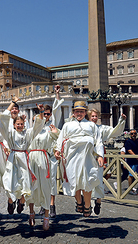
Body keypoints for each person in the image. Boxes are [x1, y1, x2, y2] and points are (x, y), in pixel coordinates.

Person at [0, 96, 45, 216]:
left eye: (21, 124)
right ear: (14, 124)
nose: (20, 126)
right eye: (17, 124)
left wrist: (41, 113)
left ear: (24, 124)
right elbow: (1, 127)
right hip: (13, 159)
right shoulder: (10, 133)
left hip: (24, 159)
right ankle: (11, 202)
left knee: (25, 183)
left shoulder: (28, 133)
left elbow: (37, 127)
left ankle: (21, 202)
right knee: (9, 181)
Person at [55, 101, 104, 217]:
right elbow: (60, 139)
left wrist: (100, 155)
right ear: (73, 112)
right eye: (77, 111)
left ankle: (87, 205)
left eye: (82, 111)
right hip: (72, 157)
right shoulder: (67, 125)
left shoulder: (91, 125)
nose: (79, 113)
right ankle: (79, 202)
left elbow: (99, 141)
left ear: (85, 112)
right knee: (74, 181)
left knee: (87, 181)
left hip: (88, 157)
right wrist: (57, 150)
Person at [89, 109, 126, 215]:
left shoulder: (102, 129)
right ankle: (86, 203)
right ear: (88, 117)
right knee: (86, 179)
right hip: (86, 157)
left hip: (98, 157)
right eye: (92, 116)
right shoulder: (84, 127)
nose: (94, 118)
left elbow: (115, 132)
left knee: (99, 180)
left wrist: (121, 121)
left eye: (96, 116)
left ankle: (98, 202)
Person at [27, 113, 58, 230]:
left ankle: (46, 217)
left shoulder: (47, 132)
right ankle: (31, 213)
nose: (38, 123)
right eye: (36, 121)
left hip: (43, 159)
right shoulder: (29, 132)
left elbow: (56, 142)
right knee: (31, 187)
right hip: (31, 159)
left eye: (40, 121)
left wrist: (56, 150)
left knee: (45, 187)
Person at [37, 85, 63, 219]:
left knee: (52, 181)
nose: (46, 116)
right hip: (40, 156)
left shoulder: (54, 124)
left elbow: (58, 109)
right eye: (44, 114)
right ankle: (43, 204)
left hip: (51, 156)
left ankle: (52, 205)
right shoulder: (38, 125)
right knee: (41, 181)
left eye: (48, 114)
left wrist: (56, 94)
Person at [124, 129, 138, 195]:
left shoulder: (137, 141)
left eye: (135, 133)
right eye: (132, 134)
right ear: (130, 134)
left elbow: (137, 150)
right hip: (131, 160)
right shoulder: (128, 142)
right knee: (131, 175)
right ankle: (130, 188)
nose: (133, 135)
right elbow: (129, 151)